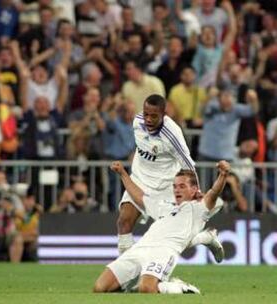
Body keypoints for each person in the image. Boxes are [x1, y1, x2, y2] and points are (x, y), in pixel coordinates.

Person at [94, 160, 230, 294]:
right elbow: (139, 197)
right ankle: (206, 238)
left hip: (163, 253)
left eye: (182, 186)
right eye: (175, 186)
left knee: (146, 289)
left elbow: (214, 193)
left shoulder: (199, 208)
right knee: (100, 288)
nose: (177, 190)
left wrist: (223, 175)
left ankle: (182, 288)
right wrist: (123, 174)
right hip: (139, 248)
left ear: (194, 189)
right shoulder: (164, 206)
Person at [116, 94, 222, 262]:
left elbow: (188, 165)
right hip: (139, 181)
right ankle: (126, 275)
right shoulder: (137, 122)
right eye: (146, 114)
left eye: (154, 116)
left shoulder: (172, 135)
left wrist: (196, 191)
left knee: (172, 237)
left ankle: (207, 237)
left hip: (165, 187)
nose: (148, 119)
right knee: (124, 221)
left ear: (164, 114)